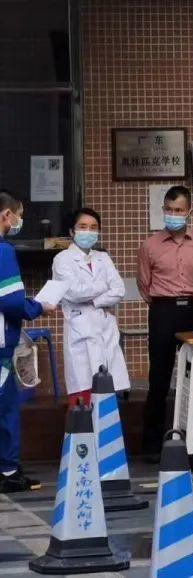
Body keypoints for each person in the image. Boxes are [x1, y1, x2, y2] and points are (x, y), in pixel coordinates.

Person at [138, 186, 193, 461]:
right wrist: (164, 304)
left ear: (189, 212)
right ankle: (151, 443)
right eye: (169, 210)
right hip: (162, 310)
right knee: (158, 376)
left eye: (179, 210)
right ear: (163, 211)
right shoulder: (150, 245)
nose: (173, 215)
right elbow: (144, 285)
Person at [0, 191, 55, 492]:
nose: (19, 221)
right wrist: (38, 306)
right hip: (0, 344)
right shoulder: (3, 251)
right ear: (6, 216)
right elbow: (11, 302)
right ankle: (8, 471)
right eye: (18, 214)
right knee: (6, 407)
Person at [53, 208, 130, 407]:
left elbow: (119, 290)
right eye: (83, 227)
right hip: (80, 333)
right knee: (83, 399)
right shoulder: (62, 259)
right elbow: (73, 292)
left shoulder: (102, 258)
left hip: (104, 329)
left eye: (93, 228)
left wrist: (95, 301)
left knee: (107, 397)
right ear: (72, 231)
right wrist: (103, 288)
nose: (89, 232)